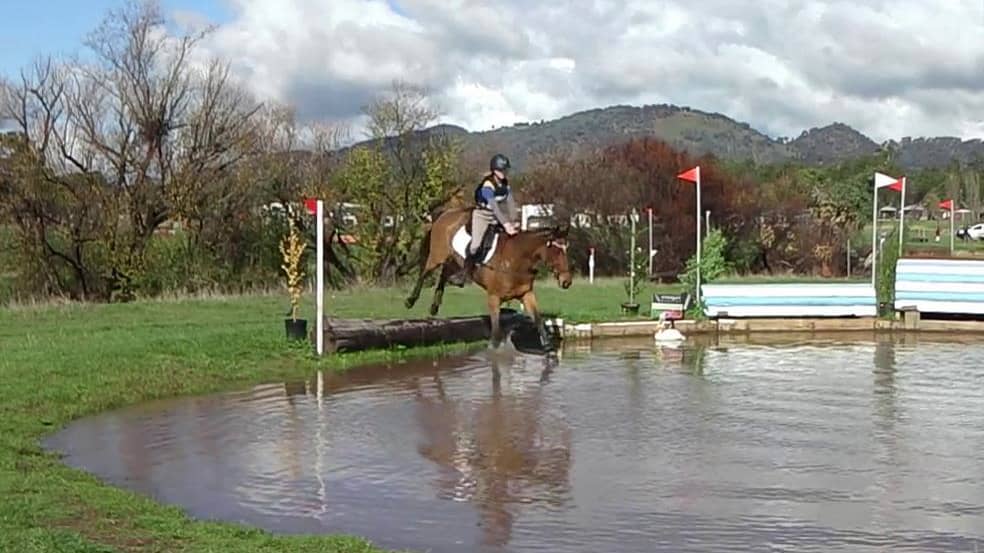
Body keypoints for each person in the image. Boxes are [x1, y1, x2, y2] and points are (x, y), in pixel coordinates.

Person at [454, 153, 519, 282]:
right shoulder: (487, 186)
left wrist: (514, 220)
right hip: (482, 216)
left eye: (506, 170)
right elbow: (494, 207)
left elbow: (511, 203)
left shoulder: (505, 185)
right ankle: (464, 272)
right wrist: (506, 224)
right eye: (502, 170)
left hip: (497, 217)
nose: (505, 173)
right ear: (495, 171)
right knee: (475, 245)